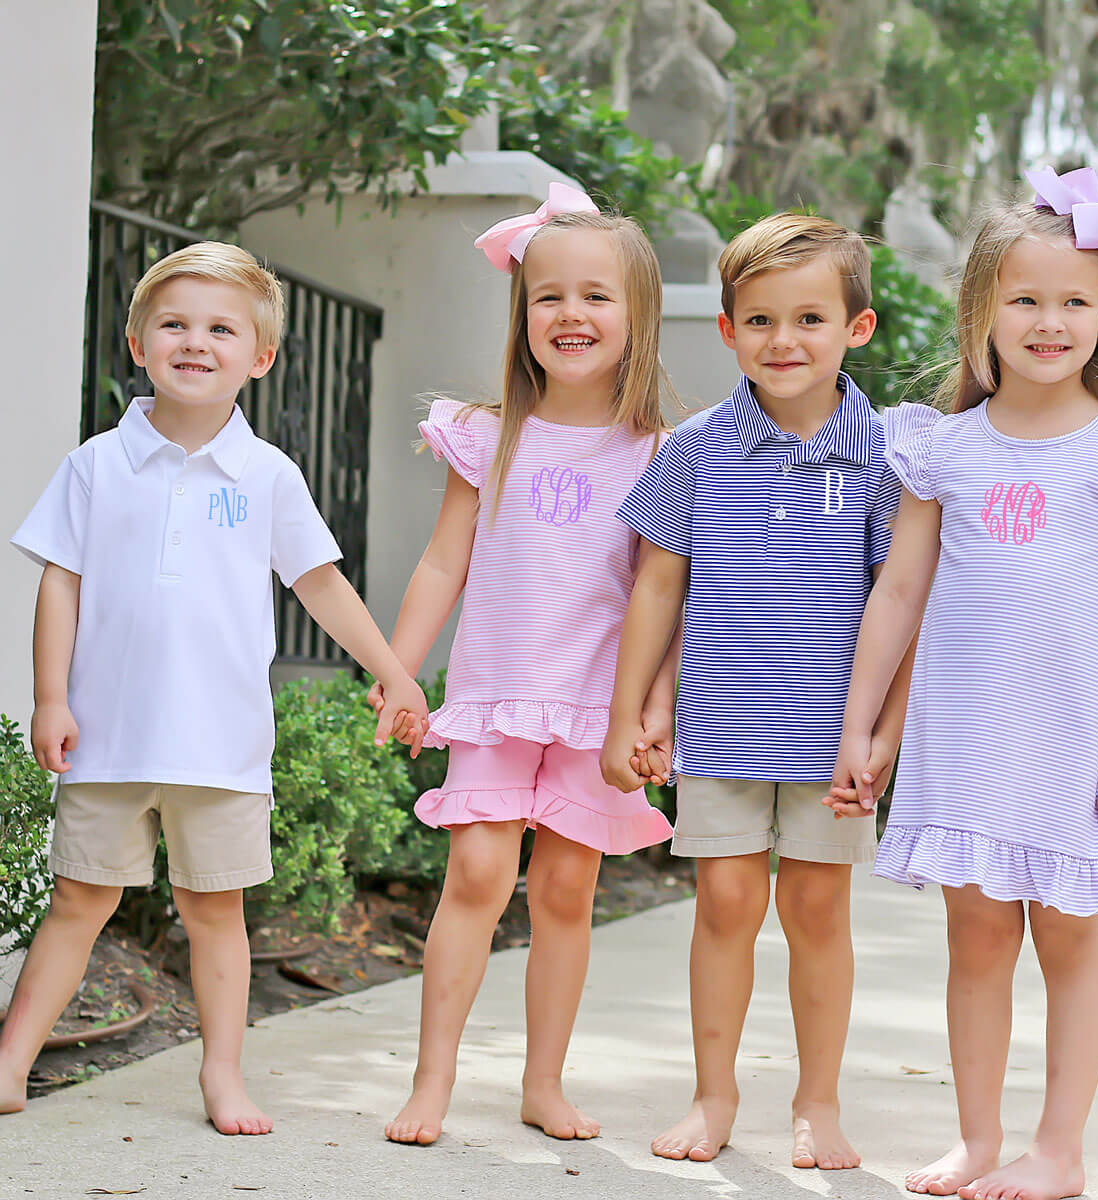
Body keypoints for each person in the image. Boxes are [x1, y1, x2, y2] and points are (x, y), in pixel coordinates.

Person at [828, 167, 1098, 1200]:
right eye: (1025, 300)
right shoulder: (945, 447)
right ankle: (979, 1139)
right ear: (983, 313)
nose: (1049, 321)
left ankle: (1061, 1150)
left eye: (1074, 300)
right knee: (977, 936)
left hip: (1073, 743)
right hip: (965, 738)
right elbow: (900, 591)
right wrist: (864, 729)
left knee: (1069, 937)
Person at [1, 242, 427, 1135]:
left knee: (214, 911)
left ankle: (223, 1077)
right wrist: (50, 696)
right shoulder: (96, 465)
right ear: (137, 342)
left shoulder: (267, 474)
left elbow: (318, 583)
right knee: (79, 901)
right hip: (107, 736)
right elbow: (61, 583)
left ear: (259, 356)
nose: (196, 342)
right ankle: (11, 1061)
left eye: (221, 328)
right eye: (175, 324)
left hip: (221, 746)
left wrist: (392, 672)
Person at [603, 212, 914, 1169]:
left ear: (856, 330)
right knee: (726, 909)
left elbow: (904, 606)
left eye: (810, 319)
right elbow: (660, 583)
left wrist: (884, 736)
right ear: (729, 329)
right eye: (762, 320)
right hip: (722, 728)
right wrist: (636, 713)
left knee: (818, 916)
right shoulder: (697, 448)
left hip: (835, 742)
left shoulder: (887, 455)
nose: (785, 341)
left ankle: (817, 1102)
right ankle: (714, 1094)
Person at [375, 184, 677, 1147]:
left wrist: (650, 712)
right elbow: (442, 562)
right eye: (550, 297)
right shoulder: (483, 432)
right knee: (474, 871)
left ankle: (543, 1083)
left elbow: (664, 598)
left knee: (565, 892)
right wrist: (399, 668)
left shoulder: (658, 453)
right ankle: (433, 1080)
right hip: (497, 695)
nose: (571, 315)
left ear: (636, 317)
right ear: (523, 312)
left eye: (596, 297)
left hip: (596, 704)